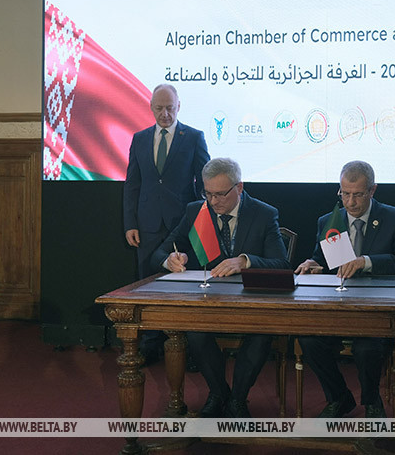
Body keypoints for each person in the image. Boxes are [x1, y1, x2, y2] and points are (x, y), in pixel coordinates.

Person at [151, 158, 289, 418]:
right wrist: (169, 260)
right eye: (208, 193)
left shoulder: (263, 214)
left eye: (220, 194)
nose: (213, 202)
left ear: (239, 187)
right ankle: (218, 393)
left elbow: (282, 265)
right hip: (210, 303)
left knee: (261, 334)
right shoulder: (197, 211)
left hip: (251, 303)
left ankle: (238, 399)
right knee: (195, 332)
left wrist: (245, 261)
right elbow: (160, 251)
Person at [295, 161, 395, 418]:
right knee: (309, 341)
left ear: (372, 190)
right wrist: (313, 264)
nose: (350, 202)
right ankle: (339, 398)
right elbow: (324, 262)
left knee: (367, 348)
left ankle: (372, 402)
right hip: (337, 307)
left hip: (375, 310)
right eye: (345, 194)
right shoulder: (330, 221)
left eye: (357, 194)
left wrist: (366, 262)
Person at [123, 84, 210, 364]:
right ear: (151, 107)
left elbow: (205, 182)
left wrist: (202, 221)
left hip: (182, 224)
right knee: (147, 284)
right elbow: (132, 183)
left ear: (178, 106)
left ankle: (189, 347)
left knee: (184, 284)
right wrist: (130, 223)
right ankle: (150, 343)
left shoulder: (193, 137)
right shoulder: (139, 139)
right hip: (147, 224)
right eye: (159, 108)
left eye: (170, 108)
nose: (165, 114)